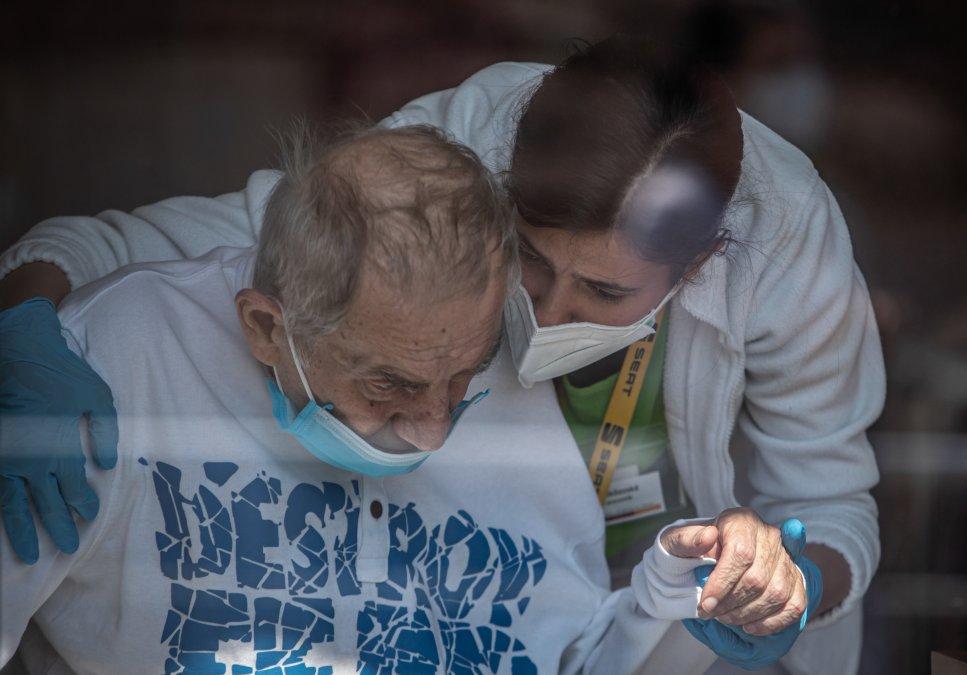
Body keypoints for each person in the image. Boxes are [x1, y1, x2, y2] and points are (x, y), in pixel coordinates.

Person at [0, 36, 883, 673]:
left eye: (605, 293)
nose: (546, 312)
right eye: (529, 264)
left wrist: (782, 579)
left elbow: (832, 496)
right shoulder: (461, 155)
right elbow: (253, 247)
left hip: (637, 606)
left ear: (696, 269)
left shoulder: (786, 237)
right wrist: (27, 322)